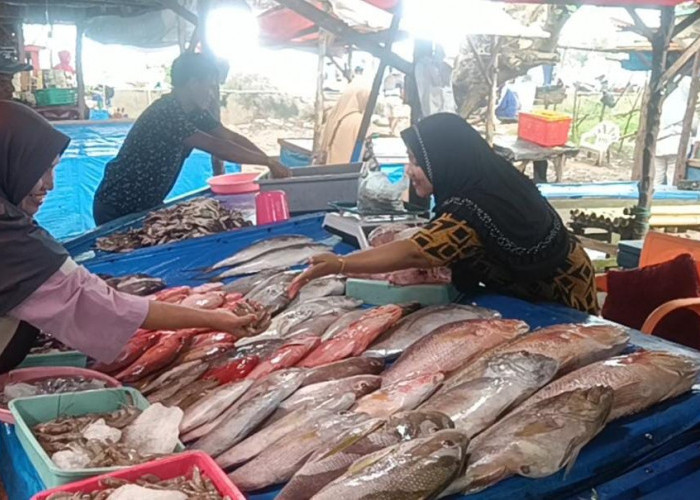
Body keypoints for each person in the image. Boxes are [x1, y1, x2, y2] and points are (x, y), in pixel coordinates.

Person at [0, 101, 256, 373]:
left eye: (54, 169)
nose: (50, 184)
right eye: (41, 169)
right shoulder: (13, 239)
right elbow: (105, 307)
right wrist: (216, 319)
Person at [291, 113, 599, 315]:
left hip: (561, 294)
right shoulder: (483, 181)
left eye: (415, 161)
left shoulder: (476, 206)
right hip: (537, 286)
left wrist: (341, 263)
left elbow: (416, 253)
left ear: (443, 160)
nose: (409, 171)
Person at [93, 53, 290, 225]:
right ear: (194, 83)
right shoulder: (167, 112)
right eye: (210, 87)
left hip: (146, 205)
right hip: (117, 206)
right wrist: (266, 161)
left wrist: (269, 161)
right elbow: (217, 146)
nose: (212, 95)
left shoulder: (194, 112)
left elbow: (229, 136)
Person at [315, 78, 371, 165]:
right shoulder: (360, 121)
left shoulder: (333, 117)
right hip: (350, 173)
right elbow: (367, 152)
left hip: (330, 172)